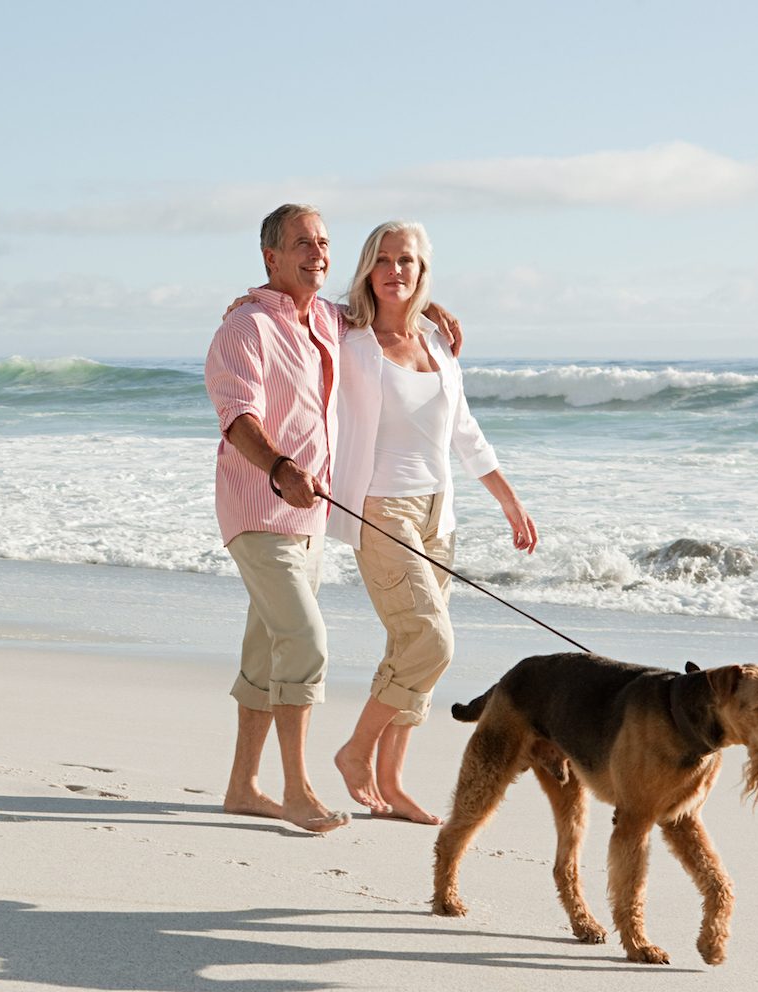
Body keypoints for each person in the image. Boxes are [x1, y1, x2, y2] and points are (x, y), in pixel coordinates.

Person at [327, 221, 537, 825]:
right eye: (385, 260)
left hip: (436, 509)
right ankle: (355, 752)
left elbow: (463, 429)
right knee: (433, 641)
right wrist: (248, 299)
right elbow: (296, 306)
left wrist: (507, 498)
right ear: (368, 267)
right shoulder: (348, 334)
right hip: (379, 505)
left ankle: (391, 783)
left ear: (424, 272)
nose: (396, 270)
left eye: (409, 262)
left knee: (409, 645)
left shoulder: (436, 342)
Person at [203, 203, 352, 833]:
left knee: (267, 652)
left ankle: (242, 787)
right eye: (301, 244)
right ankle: (297, 790)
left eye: (322, 242)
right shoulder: (247, 327)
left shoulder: (324, 318)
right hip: (260, 509)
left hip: (308, 522)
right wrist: (281, 468)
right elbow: (238, 418)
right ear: (271, 256)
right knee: (305, 643)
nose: (317, 252)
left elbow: (380, 312)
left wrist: (432, 310)